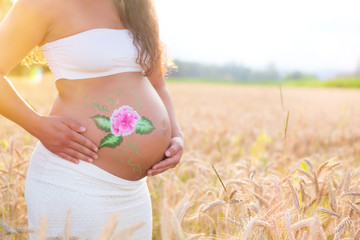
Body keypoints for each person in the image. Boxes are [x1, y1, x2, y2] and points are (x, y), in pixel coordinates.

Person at [0, 0, 184, 239]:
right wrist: (36, 124)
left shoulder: (138, 4)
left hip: (134, 193)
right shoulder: (42, 4)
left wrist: (175, 134)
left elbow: (157, 83)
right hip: (74, 178)